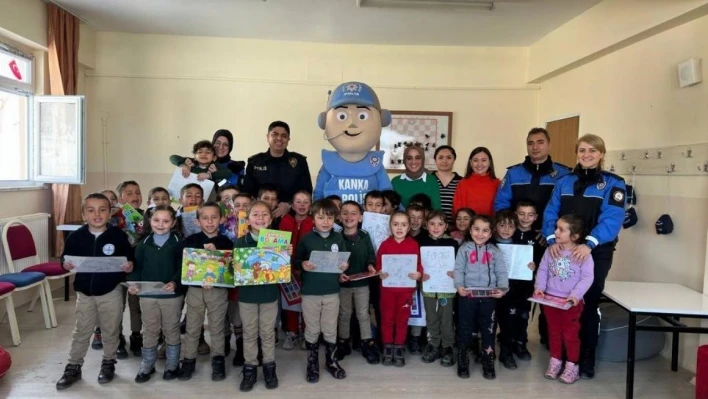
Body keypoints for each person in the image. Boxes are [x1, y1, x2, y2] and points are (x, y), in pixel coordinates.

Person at [542, 133, 625, 379]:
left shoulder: (613, 183)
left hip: (594, 252)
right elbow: (551, 211)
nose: (586, 155)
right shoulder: (564, 182)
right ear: (576, 153)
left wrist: (589, 243)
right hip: (563, 251)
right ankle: (560, 355)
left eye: (592, 150)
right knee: (559, 300)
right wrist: (550, 239)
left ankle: (584, 358)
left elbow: (612, 219)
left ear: (601, 154)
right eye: (582, 150)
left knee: (585, 303)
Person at [55, 193, 135, 390]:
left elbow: (130, 258)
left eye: (102, 210)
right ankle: (74, 366)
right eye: (91, 210)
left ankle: (108, 363)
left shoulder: (118, 235)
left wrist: (129, 265)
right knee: (81, 331)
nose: (97, 214)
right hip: (84, 293)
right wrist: (65, 264)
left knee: (111, 330)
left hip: (111, 291)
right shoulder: (76, 237)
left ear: (110, 213)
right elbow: (65, 259)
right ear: (84, 214)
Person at [235, 201, 293, 391]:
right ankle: (250, 368)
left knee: (268, 333)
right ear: (248, 218)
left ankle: (269, 367)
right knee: (249, 333)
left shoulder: (278, 241)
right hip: (247, 297)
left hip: (269, 295)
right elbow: (236, 270)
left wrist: (287, 255)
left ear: (271, 218)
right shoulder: (241, 242)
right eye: (255, 215)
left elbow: (282, 270)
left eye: (265, 214)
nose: (260, 218)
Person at [535, 215, 594, 384]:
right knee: (553, 332)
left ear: (574, 236)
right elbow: (543, 270)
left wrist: (575, 296)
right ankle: (555, 361)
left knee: (570, 335)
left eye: (561, 229)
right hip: (550, 301)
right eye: (556, 227)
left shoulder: (583, 255)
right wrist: (539, 287)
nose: (555, 232)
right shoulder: (551, 250)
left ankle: (572, 365)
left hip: (570, 303)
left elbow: (587, 278)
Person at [177, 202, 233, 382]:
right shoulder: (190, 241)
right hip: (195, 291)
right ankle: (188, 361)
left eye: (214, 217)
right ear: (197, 221)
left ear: (222, 219)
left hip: (217, 292)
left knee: (217, 328)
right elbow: (185, 266)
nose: (210, 222)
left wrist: (217, 255)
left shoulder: (226, 242)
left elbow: (230, 270)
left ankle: (218, 361)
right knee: (193, 328)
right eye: (205, 218)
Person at [295, 199, 349, 383]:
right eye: (321, 217)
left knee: (330, 329)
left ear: (335, 218)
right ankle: (312, 364)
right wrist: (302, 264)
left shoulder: (338, 238)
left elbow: (343, 261)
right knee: (312, 329)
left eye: (330, 217)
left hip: (332, 291)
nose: (325, 221)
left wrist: (344, 265)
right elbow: (296, 261)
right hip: (310, 292)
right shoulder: (307, 239)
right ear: (313, 219)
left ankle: (331, 362)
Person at [128, 205, 183, 383]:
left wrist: (174, 282)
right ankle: (147, 364)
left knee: (171, 329)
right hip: (147, 296)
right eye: (156, 220)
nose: (161, 224)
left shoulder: (178, 243)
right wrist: (134, 284)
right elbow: (136, 268)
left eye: (166, 221)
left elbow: (184, 268)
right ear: (149, 221)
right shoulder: (143, 245)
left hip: (172, 296)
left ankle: (173, 364)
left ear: (173, 222)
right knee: (150, 330)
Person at [314, 81, 393, 203]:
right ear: (324, 121)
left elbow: (388, 197)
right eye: (342, 116)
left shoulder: (375, 165)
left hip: (368, 221)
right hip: (333, 220)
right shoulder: (329, 164)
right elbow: (318, 195)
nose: (352, 124)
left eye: (362, 116)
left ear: (382, 119)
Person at [454, 215, 508, 380]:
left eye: (485, 230)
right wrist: (459, 286)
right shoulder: (464, 249)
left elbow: (501, 272)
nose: (480, 233)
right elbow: (458, 269)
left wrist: (503, 289)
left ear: (490, 234)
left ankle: (488, 360)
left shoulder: (495, 252)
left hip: (489, 298)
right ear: (470, 231)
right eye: (476, 229)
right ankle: (463, 360)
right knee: (464, 329)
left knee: (488, 329)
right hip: (467, 297)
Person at [494, 127, 571, 228]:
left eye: (540, 142)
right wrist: (510, 226)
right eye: (530, 143)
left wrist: (551, 231)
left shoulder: (564, 174)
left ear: (549, 145)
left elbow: (568, 208)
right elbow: (501, 204)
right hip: (517, 232)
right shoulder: (513, 173)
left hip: (551, 236)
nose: (535, 147)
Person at [376, 211, 423, 367]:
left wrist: (418, 273)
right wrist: (380, 273)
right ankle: (388, 347)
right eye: (395, 224)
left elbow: (418, 265)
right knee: (387, 320)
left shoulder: (413, 244)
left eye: (403, 225)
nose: (399, 228)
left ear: (409, 227)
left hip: (405, 291)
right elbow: (378, 265)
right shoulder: (385, 244)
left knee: (402, 320)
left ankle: (399, 347)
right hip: (387, 291)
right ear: (390, 226)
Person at [242, 121, 313, 219]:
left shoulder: (299, 162)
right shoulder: (255, 162)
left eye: (284, 136)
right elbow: (247, 193)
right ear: (267, 137)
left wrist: (289, 204)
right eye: (275, 134)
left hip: (291, 216)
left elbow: (306, 191)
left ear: (288, 139)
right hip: (261, 218)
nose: (279, 138)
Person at [337, 201, 379, 364]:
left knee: (363, 314)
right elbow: (334, 261)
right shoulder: (336, 237)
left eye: (353, 213)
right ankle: (343, 342)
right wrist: (339, 273)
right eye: (345, 213)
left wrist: (370, 265)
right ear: (340, 217)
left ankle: (367, 343)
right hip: (343, 284)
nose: (349, 216)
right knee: (344, 314)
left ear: (361, 217)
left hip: (362, 284)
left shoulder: (365, 235)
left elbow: (370, 254)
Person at [492, 209, 534, 370]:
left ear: (516, 228)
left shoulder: (521, 245)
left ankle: (506, 353)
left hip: (514, 290)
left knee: (510, 322)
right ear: (495, 226)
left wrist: (531, 266)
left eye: (510, 226)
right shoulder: (490, 244)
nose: (506, 229)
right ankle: (487, 351)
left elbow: (528, 265)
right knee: (491, 321)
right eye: (502, 225)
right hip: (493, 290)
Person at [418, 210, 458, 367]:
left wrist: (456, 273)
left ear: (446, 226)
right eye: (432, 223)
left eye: (440, 224)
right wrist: (420, 273)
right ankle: (434, 344)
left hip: (446, 287)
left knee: (446, 317)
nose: (436, 227)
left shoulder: (453, 243)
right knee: (431, 316)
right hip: (428, 285)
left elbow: (459, 265)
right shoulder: (420, 242)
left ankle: (447, 347)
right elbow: (416, 264)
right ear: (426, 225)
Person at [278, 190, 315, 350]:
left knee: (308, 304)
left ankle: (307, 333)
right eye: (298, 202)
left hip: (308, 270)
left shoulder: (314, 222)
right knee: (290, 304)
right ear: (292, 205)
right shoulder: (285, 220)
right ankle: (292, 333)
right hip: (287, 269)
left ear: (311, 205)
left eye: (306, 202)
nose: (302, 205)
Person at [170, 129, 246, 186]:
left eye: (225, 144)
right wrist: (183, 165)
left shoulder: (237, 166)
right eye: (217, 143)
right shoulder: (195, 161)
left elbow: (239, 186)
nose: (221, 147)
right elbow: (173, 157)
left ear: (230, 147)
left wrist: (216, 176)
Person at [391, 144, 441, 210]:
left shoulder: (431, 180)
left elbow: (436, 210)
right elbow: (391, 208)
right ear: (404, 160)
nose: (413, 162)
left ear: (423, 160)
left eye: (417, 158)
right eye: (409, 158)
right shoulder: (395, 182)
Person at [453, 147, 500, 217]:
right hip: (468, 227)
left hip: (490, 226)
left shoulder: (498, 184)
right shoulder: (463, 183)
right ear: (470, 163)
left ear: (490, 162)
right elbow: (457, 210)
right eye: (475, 160)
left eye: (483, 160)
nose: (479, 164)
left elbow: (500, 209)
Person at [433, 145, 462, 225]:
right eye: (440, 157)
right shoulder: (428, 180)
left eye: (449, 158)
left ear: (454, 160)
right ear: (435, 160)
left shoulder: (461, 182)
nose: (444, 161)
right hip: (432, 228)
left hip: (456, 229)